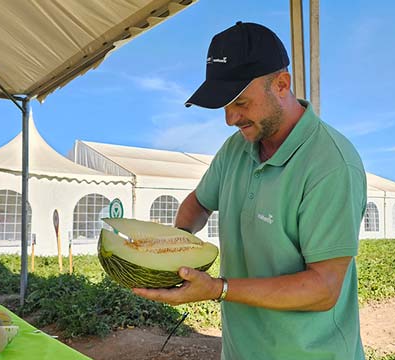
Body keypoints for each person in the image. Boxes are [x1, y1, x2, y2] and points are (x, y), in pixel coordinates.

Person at [132, 21, 367, 359]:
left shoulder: (330, 164)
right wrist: (173, 250)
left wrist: (218, 289)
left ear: (281, 85)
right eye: (224, 105)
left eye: (240, 102)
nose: (230, 118)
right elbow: (198, 204)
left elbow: (324, 288)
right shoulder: (235, 150)